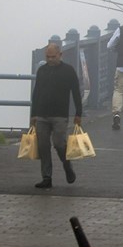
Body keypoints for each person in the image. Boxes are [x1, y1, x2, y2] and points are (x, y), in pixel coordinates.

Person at [29, 43, 82, 189]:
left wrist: (78, 113)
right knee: (43, 146)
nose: (50, 60)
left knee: (59, 143)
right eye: (48, 57)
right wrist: (34, 114)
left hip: (60, 115)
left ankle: (67, 164)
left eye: (53, 57)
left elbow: (76, 92)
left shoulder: (68, 71)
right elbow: (37, 92)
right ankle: (47, 177)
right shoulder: (42, 71)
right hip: (42, 114)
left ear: (60, 55)